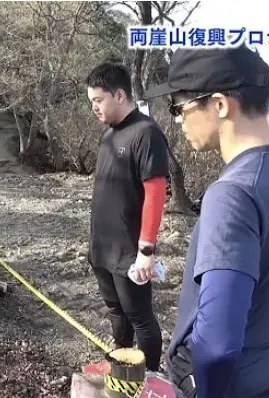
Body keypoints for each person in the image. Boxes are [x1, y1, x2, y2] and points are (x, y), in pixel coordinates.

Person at [143, 45, 269, 398]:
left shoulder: (232, 193)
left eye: (179, 106)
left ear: (219, 105)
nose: (178, 120)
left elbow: (216, 346)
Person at [85, 61, 170, 372]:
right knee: (116, 313)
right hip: (102, 246)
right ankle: (122, 371)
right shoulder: (108, 133)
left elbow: (156, 194)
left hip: (129, 251)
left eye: (98, 100)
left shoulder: (146, 133)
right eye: (91, 101)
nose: (94, 108)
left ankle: (150, 380)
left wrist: (146, 250)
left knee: (140, 318)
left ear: (119, 95)